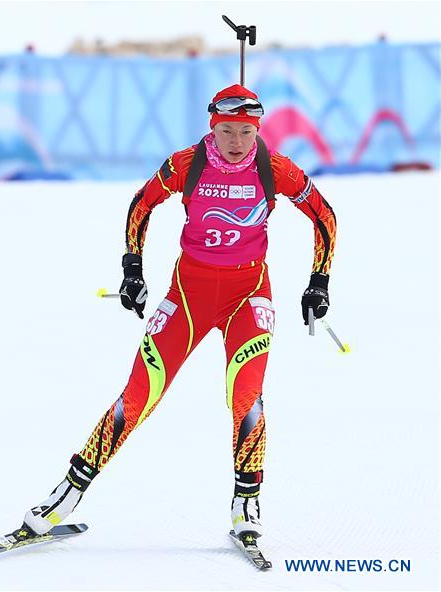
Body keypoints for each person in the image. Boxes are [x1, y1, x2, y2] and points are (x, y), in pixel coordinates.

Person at [21, 84, 337, 544]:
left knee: (246, 394)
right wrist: (133, 268)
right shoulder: (188, 164)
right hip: (187, 295)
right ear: (213, 127)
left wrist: (319, 282)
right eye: (226, 130)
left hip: (248, 296)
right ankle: (66, 494)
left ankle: (246, 502)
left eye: (246, 131)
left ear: (257, 130)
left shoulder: (276, 170)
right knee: (138, 395)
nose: (236, 141)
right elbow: (142, 204)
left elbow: (324, 216)